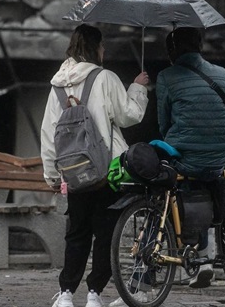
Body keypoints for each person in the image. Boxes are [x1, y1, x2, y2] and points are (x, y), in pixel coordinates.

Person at [41, 23, 150, 307]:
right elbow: (129, 116)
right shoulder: (105, 78)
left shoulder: (56, 86)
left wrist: (53, 176)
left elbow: (49, 134)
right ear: (95, 48)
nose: (104, 51)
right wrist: (137, 89)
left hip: (74, 173)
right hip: (107, 171)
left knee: (76, 233)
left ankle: (66, 295)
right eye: (102, 46)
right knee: (105, 232)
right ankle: (94, 295)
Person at [157, 27, 225, 288]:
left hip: (188, 159)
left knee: (166, 178)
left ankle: (177, 255)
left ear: (171, 51)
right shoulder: (223, 74)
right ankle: (206, 258)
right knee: (207, 181)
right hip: (219, 156)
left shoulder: (166, 76)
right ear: (200, 45)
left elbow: (163, 123)